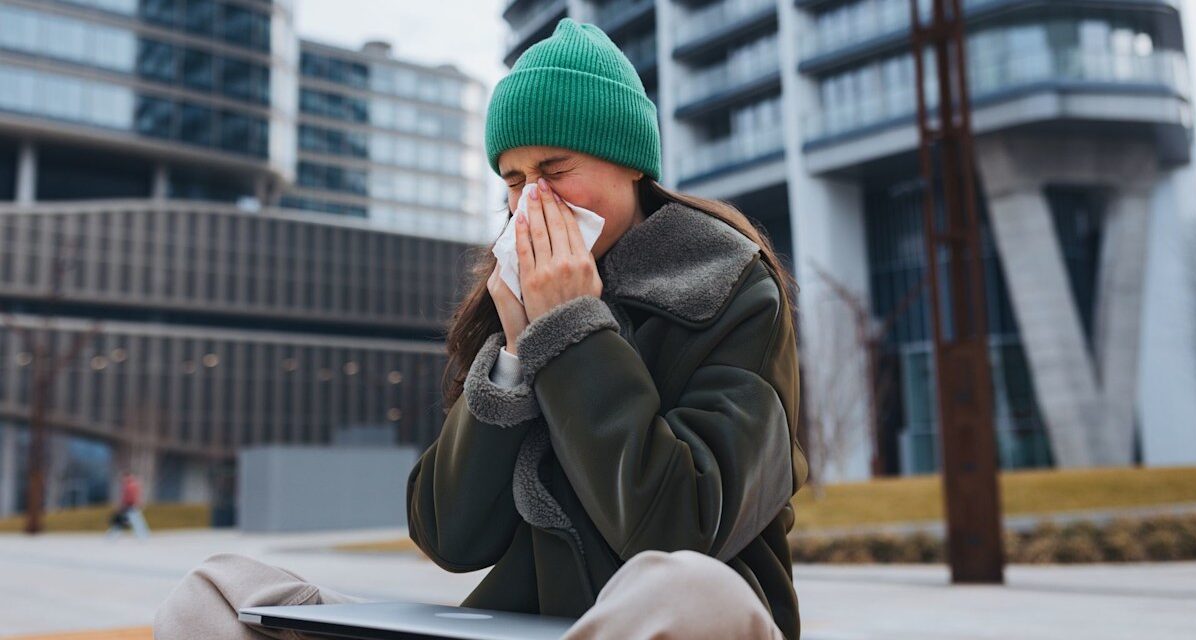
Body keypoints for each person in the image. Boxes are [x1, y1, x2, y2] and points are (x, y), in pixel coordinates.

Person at [154, 18, 808, 640]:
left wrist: (575, 332)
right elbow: (451, 539)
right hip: (515, 626)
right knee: (219, 592)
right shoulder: (510, 301)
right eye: (514, 180)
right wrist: (517, 357)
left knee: (694, 591)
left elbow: (679, 531)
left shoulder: (730, 288)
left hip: (659, 623)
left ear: (631, 162)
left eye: (554, 172)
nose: (531, 203)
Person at [106, 471, 150, 539]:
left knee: (134, 522)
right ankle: (111, 536)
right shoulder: (130, 485)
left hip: (130, 506)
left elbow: (131, 497)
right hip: (129, 506)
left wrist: (123, 506)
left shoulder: (130, 486)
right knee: (125, 522)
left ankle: (144, 537)